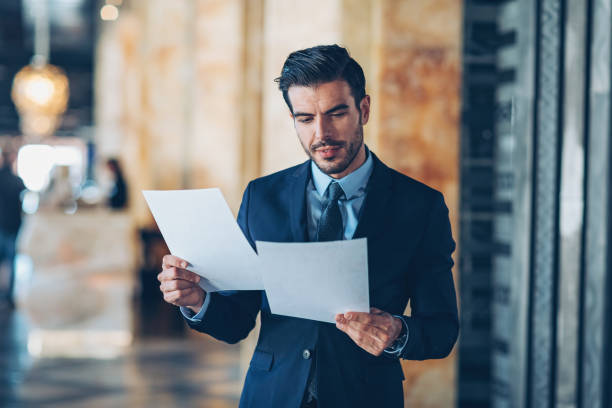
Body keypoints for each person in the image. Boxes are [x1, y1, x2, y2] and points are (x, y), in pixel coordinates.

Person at [157, 44, 458, 408]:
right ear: (293, 120)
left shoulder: (419, 206)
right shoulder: (262, 197)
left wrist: (396, 332)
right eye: (305, 118)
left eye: (336, 114)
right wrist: (197, 301)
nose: (322, 134)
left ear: (363, 109)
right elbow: (236, 321)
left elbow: (441, 330)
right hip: (270, 395)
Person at [0, 149, 26, 308]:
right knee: (11, 260)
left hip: (5, 224)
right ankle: (8, 295)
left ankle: (7, 294)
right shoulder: (15, 180)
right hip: (12, 224)